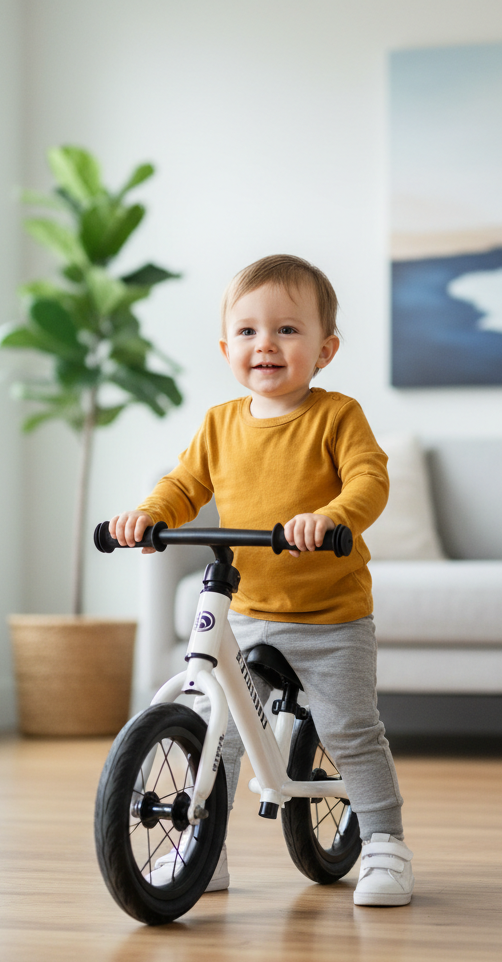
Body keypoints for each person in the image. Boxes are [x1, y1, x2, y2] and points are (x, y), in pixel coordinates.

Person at [108, 254, 413, 907]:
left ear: (325, 349)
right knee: (214, 730)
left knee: (351, 730)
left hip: (330, 616)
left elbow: (369, 479)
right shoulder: (220, 424)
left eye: (287, 330)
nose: (265, 345)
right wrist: (148, 517)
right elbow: (184, 485)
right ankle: (205, 847)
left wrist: (331, 517)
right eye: (247, 332)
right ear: (226, 347)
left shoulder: (337, 416)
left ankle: (385, 842)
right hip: (246, 611)